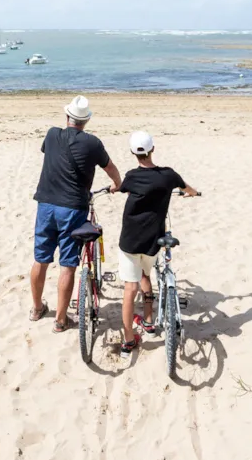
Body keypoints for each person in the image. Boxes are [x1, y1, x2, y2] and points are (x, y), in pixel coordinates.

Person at [30, 95, 122, 332]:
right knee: (68, 265)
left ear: (67, 116)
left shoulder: (51, 135)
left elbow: (51, 155)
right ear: (86, 121)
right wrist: (117, 183)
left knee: (41, 259)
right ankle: (60, 320)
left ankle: (37, 308)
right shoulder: (92, 143)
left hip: (46, 205)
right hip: (72, 207)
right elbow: (110, 168)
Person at [116, 131, 199, 354]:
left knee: (130, 286)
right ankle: (149, 319)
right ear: (153, 149)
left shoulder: (131, 176)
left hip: (130, 239)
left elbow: (122, 187)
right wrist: (193, 193)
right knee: (146, 273)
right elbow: (187, 189)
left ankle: (128, 340)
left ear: (133, 153)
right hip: (153, 240)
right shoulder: (168, 175)